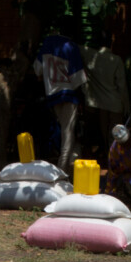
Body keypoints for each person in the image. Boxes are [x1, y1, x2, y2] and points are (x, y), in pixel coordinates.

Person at [32, 28, 87, 173]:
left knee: (66, 132)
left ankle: (71, 165)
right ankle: (62, 170)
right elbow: (78, 79)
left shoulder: (47, 43)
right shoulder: (71, 46)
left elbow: (37, 69)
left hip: (53, 96)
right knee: (67, 133)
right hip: (68, 95)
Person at [81, 32, 130, 145]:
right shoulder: (116, 60)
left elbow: (76, 46)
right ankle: (113, 158)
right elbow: (122, 86)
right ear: (111, 43)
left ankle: (108, 156)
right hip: (115, 104)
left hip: (101, 104)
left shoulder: (90, 56)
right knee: (116, 137)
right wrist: (126, 106)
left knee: (105, 136)